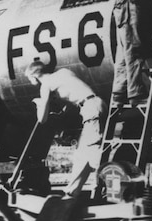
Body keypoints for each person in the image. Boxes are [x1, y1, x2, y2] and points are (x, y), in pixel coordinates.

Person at [25, 61, 106, 196]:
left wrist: (39, 103)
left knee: (93, 153)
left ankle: (120, 181)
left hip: (90, 110)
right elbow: (76, 92)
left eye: (29, 78)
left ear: (33, 77)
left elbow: (42, 119)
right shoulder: (64, 72)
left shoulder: (45, 85)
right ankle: (72, 192)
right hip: (98, 104)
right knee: (83, 153)